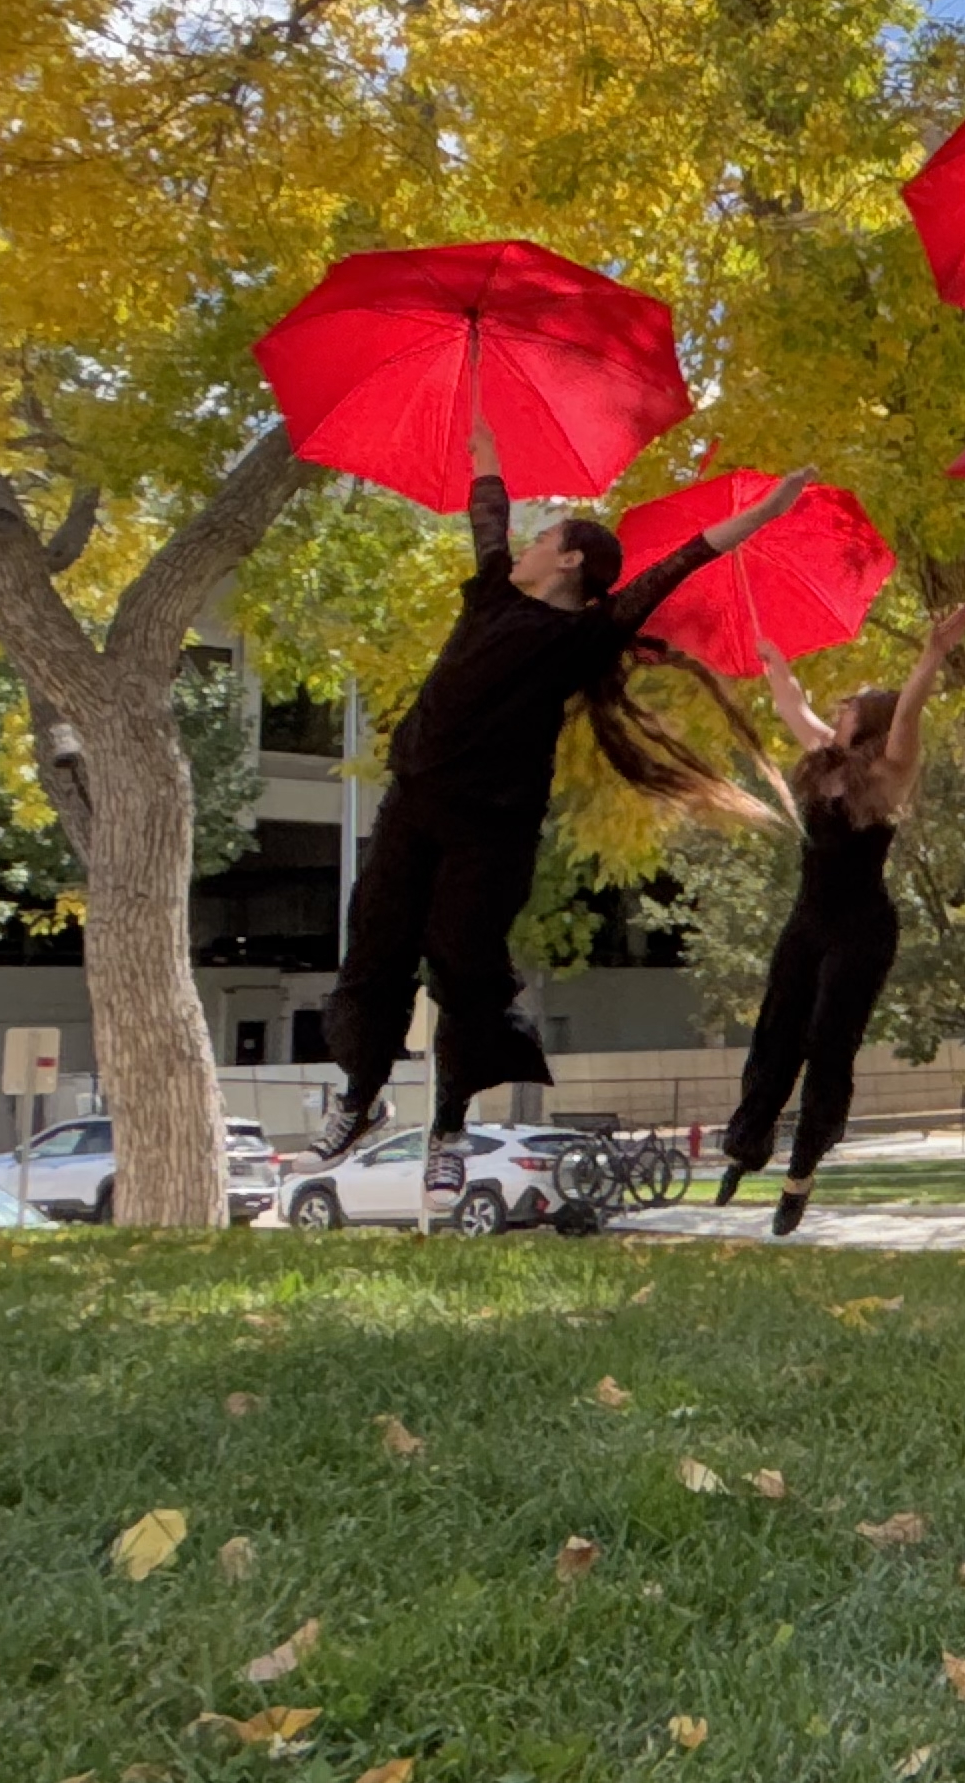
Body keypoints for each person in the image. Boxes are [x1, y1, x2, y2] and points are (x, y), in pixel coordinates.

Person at [306, 420, 807, 1211]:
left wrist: (764, 513)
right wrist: (488, 453)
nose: (529, 544)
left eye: (548, 537)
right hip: (414, 802)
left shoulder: (585, 635)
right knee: (376, 946)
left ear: (571, 559)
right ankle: (359, 1096)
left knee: (461, 961)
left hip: (491, 825)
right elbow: (489, 516)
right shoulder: (492, 591)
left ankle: (447, 1129)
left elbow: (683, 561)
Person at [711, 601, 965, 1235]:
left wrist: (932, 654)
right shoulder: (824, 761)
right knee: (777, 1033)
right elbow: (789, 706)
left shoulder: (889, 771)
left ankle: (802, 1173)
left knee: (828, 1044)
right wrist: (773, 658)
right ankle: (749, 1147)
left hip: (862, 929)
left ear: (869, 722)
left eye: (849, 708)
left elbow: (909, 711)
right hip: (808, 922)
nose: (837, 714)